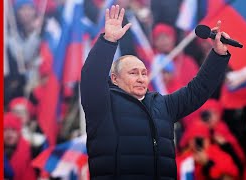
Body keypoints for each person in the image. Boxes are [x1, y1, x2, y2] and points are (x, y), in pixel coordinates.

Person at [81, 5, 231, 180]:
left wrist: (218, 55)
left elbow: (197, 90)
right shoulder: (102, 105)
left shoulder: (163, 105)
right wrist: (108, 41)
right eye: (133, 73)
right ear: (114, 79)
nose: (141, 78)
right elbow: (91, 77)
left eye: (144, 73)